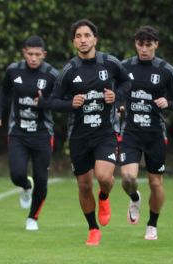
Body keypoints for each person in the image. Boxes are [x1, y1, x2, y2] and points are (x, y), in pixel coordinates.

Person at [48, 19, 131, 245]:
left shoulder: (110, 63)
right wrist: (70, 103)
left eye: (87, 35)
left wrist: (117, 97)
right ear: (74, 41)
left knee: (104, 177)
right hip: (79, 136)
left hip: (105, 132)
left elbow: (126, 83)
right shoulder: (69, 70)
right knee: (84, 185)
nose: (83, 40)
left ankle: (104, 197)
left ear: (95, 39)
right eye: (78, 36)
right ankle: (93, 228)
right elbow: (53, 101)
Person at [119, 26, 173, 240]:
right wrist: (119, 104)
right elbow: (115, 91)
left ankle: (152, 225)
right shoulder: (124, 67)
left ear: (156, 44)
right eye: (140, 44)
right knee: (128, 178)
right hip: (130, 132)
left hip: (155, 133)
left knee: (156, 183)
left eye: (149, 45)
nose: (144, 49)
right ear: (135, 44)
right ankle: (135, 197)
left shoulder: (166, 70)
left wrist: (168, 102)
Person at [0, 36, 58, 231]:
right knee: (16, 174)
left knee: (41, 178)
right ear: (24, 53)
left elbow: (60, 100)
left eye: (38, 55)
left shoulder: (52, 74)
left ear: (44, 55)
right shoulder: (14, 70)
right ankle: (25, 187)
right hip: (18, 132)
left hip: (43, 134)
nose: (34, 58)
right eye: (30, 54)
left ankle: (33, 218)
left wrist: (45, 102)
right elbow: (4, 93)